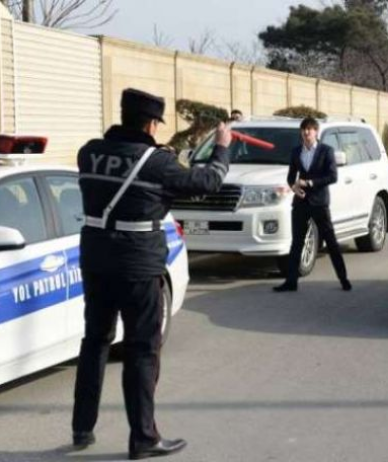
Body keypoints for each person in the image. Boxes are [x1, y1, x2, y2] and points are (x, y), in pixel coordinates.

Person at [72, 88, 233, 460]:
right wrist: (222, 147)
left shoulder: (89, 152)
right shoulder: (157, 162)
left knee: (95, 340)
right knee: (142, 349)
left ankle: (82, 427)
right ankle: (143, 437)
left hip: (96, 259)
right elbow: (207, 183)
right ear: (150, 123)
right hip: (138, 264)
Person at [273, 117, 351, 293]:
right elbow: (291, 176)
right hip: (301, 202)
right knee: (297, 243)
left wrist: (309, 183)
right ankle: (291, 282)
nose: (306, 132)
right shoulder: (296, 152)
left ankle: (343, 278)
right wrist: (294, 187)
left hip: (319, 203)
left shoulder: (326, 151)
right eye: (304, 130)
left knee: (330, 241)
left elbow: (332, 176)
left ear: (316, 132)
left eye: (309, 129)